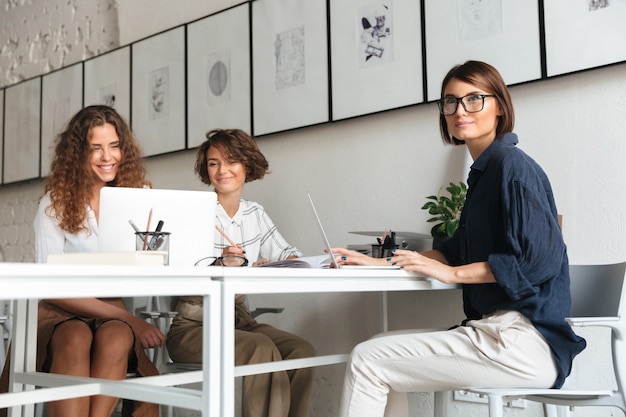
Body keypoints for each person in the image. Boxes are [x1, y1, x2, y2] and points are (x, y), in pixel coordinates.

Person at [331, 60, 586, 417]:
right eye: (451, 101)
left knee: (368, 360)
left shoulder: (511, 165)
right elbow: (452, 253)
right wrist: (383, 262)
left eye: (473, 99)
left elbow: (536, 260)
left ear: (499, 106)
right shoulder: (484, 175)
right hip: (499, 333)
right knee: (377, 347)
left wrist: (453, 275)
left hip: (526, 340)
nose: (460, 110)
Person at [0, 105, 165, 417]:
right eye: (96, 148)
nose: (108, 157)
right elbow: (53, 287)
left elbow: (150, 266)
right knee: (76, 336)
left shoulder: (138, 197)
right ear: (77, 153)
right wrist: (133, 320)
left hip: (111, 309)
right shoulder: (54, 204)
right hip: (56, 310)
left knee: (116, 336)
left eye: (115, 146)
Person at [166, 129, 316, 417]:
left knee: (301, 352)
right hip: (193, 326)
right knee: (260, 348)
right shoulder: (193, 213)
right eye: (213, 163)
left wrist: (285, 263)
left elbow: (287, 254)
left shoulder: (254, 213)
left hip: (239, 322)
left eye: (231, 161)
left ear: (247, 165)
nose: (222, 170)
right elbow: (176, 272)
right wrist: (218, 264)